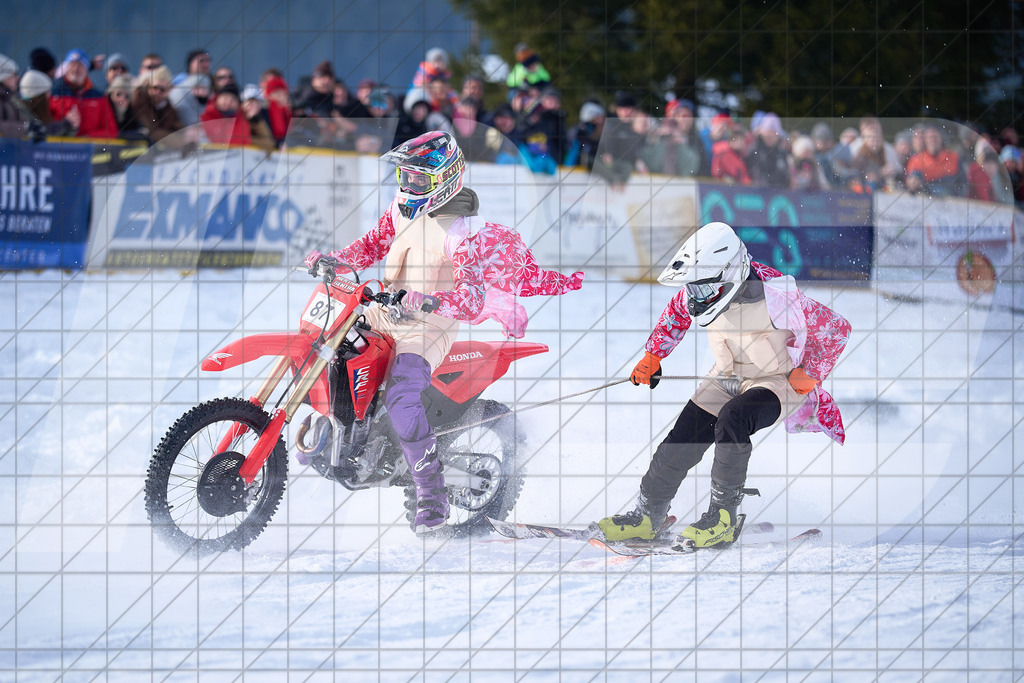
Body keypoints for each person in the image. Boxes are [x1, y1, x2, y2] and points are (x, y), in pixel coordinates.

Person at [303, 131, 584, 532]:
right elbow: (372, 244)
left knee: (401, 395)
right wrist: (335, 259)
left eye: (418, 179)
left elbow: (470, 298)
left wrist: (428, 300)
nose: (407, 186)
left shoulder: (461, 232)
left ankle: (431, 491)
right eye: (404, 177)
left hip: (430, 323)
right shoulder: (401, 208)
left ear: (445, 179)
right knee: (335, 351)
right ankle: (342, 438)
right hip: (386, 309)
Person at [596, 222, 850, 549]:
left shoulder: (778, 297)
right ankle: (647, 517)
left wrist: (811, 373)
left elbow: (836, 329)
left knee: (733, 419)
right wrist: (652, 356)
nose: (695, 297)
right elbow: (677, 313)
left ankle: (723, 519)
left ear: (730, 274)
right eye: (693, 289)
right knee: (685, 434)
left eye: (702, 289)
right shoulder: (700, 289)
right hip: (727, 374)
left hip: (779, 381)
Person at [49, 49, 118, 139]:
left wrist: (87, 138)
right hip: (56, 149)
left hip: (90, 151)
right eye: (72, 65)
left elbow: (111, 131)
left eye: (80, 65)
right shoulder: (52, 93)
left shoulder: (99, 97)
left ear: (87, 70)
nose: (76, 69)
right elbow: (43, 126)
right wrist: (64, 124)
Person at [904, 124, 965, 197]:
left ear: (941, 138)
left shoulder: (954, 158)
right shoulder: (916, 160)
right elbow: (909, 182)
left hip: (949, 201)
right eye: (929, 137)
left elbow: (963, 185)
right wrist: (912, 182)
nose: (932, 140)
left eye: (935, 137)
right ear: (925, 140)